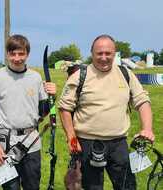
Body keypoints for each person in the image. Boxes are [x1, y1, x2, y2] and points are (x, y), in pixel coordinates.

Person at [58, 34, 155, 190]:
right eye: (99, 53)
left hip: (119, 144)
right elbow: (64, 108)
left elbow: (142, 102)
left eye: (108, 53)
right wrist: (71, 138)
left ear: (114, 53)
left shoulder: (126, 74)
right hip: (87, 144)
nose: (103, 58)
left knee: (127, 187)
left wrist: (147, 129)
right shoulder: (79, 76)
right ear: (92, 53)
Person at [0, 34, 56, 190]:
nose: (17, 58)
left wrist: (52, 96)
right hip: (4, 144)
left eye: (21, 53)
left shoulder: (35, 77)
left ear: (27, 54)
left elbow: (43, 112)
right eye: (13, 53)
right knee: (11, 188)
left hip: (31, 142)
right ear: (7, 54)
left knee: (32, 186)